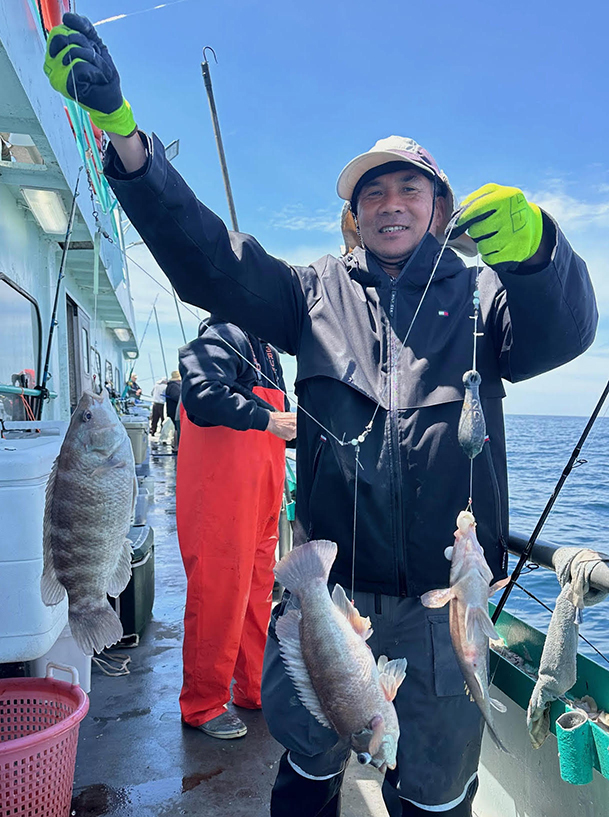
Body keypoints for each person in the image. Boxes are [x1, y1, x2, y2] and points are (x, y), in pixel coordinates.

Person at [44, 15, 598, 815]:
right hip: (326, 600)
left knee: (436, 792)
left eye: (409, 188)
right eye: (372, 193)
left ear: (440, 209)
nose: (390, 203)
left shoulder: (485, 299)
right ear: (354, 217)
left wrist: (542, 250)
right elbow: (206, 257)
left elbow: (566, 330)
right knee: (305, 770)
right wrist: (126, 138)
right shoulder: (310, 295)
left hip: (444, 615)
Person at [176, 318, 296, 739]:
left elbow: (276, 421)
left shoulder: (269, 351)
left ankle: (252, 687)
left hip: (261, 497)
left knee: (258, 593)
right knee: (218, 595)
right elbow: (201, 394)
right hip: (220, 500)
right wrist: (269, 420)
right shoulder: (226, 334)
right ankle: (203, 704)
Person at [165, 370, 182, 451]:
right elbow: (177, 397)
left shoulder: (171, 385)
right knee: (177, 429)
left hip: (172, 410)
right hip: (175, 410)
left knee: (176, 428)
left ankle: (175, 445)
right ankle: (176, 447)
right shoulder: (174, 386)